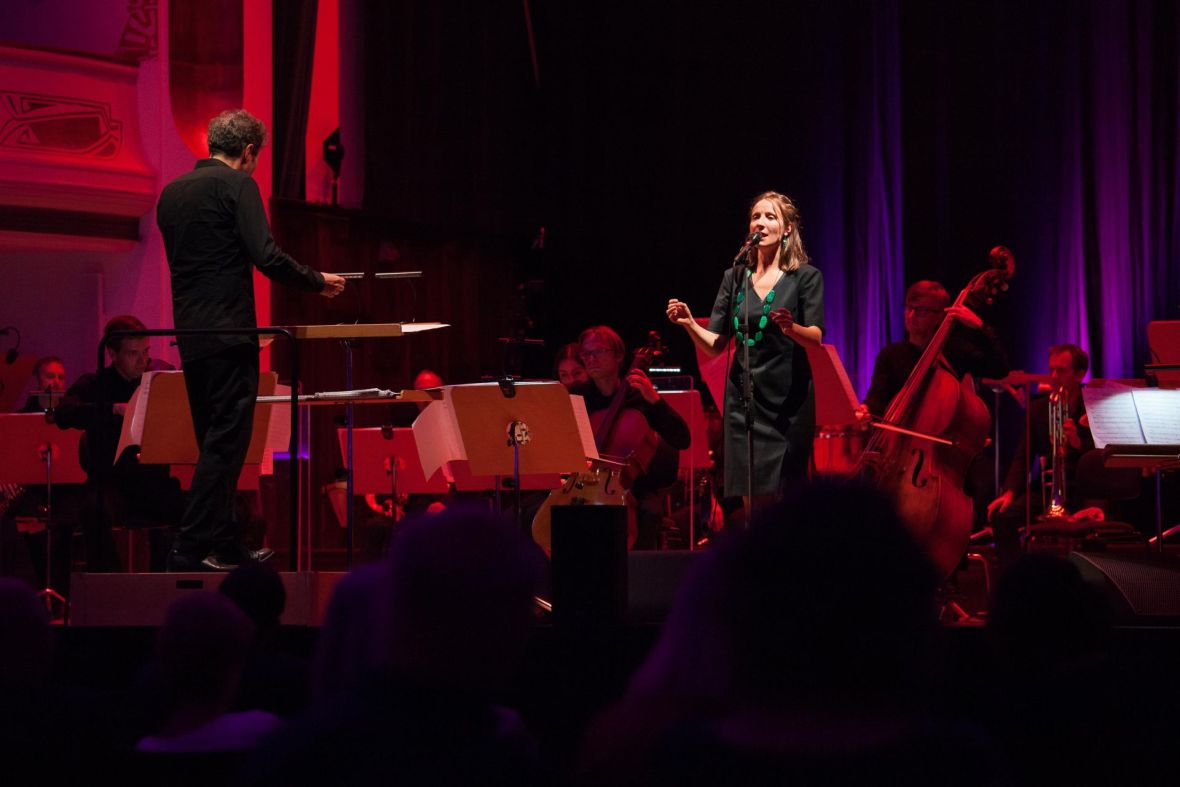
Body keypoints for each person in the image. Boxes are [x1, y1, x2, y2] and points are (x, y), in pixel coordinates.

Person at [156, 109, 346, 572]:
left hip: (192, 335)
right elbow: (266, 256)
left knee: (214, 444)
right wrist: (315, 280)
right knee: (227, 445)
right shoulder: (238, 185)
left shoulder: (171, 193)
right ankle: (188, 546)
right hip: (229, 332)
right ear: (248, 152)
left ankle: (223, 545)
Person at [666, 191, 823, 509]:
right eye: (756, 217)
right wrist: (688, 324)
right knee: (754, 500)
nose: (761, 223)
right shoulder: (735, 277)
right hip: (743, 399)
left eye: (770, 217)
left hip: (787, 400)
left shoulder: (805, 277)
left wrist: (791, 328)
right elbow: (716, 345)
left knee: (787, 497)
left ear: (787, 228)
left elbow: (816, 337)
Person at [54, 315, 183, 573]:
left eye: (145, 351)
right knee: (94, 510)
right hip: (110, 484)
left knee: (199, 508)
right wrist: (112, 409)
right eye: (132, 353)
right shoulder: (95, 383)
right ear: (112, 354)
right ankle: (109, 583)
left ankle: (170, 581)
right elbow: (64, 414)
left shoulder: (157, 380)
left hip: (152, 483)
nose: (142, 360)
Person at [570, 326, 690, 549]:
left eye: (598, 351)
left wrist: (656, 401)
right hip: (584, 483)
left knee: (648, 511)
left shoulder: (639, 396)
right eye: (586, 353)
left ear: (619, 356)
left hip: (633, 487)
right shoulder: (579, 396)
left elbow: (682, 439)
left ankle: (638, 577)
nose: (590, 358)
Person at [986, 344, 1095, 564]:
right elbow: (1022, 455)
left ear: (1080, 374)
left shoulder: (1093, 405)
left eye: (1061, 370)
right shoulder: (1038, 408)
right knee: (1002, 516)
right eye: (1051, 370)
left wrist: (1076, 441)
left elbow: (1102, 458)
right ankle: (1017, 579)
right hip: (1048, 490)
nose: (1054, 376)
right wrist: (1008, 492)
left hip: (1086, 490)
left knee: (1095, 530)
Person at [860, 280, 1008, 418]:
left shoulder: (955, 351)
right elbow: (877, 400)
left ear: (940, 316)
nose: (911, 315)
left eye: (921, 311)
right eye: (908, 308)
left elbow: (999, 369)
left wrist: (980, 327)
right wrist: (866, 410)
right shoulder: (890, 355)